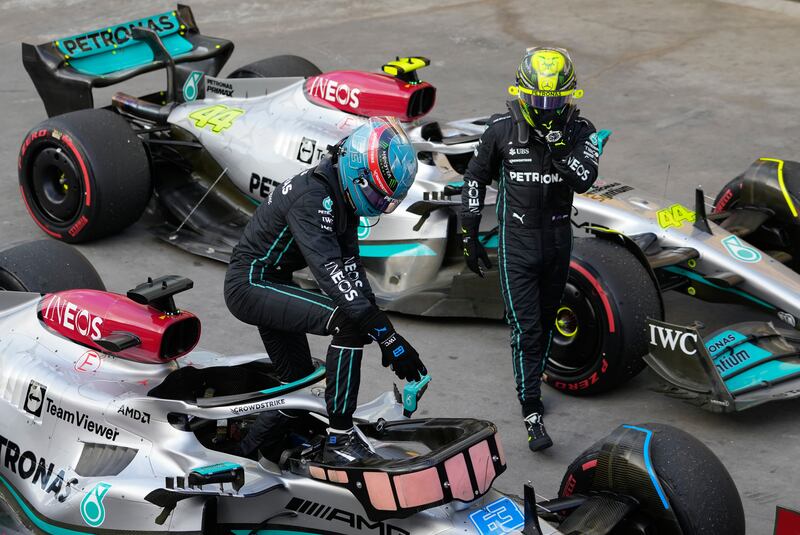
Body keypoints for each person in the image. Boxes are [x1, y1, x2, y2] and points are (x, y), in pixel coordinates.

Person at [224, 116, 427, 464]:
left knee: (298, 385)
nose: (379, 206)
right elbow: (335, 281)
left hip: (272, 282)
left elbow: (354, 276)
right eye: (377, 197)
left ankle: (240, 455)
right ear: (357, 172)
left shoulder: (339, 194)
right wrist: (389, 339)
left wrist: (388, 338)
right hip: (252, 283)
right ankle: (340, 437)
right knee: (348, 323)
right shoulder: (314, 198)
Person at [460, 47, 600, 451]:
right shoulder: (501, 128)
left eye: (554, 99)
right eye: (538, 99)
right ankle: (531, 408)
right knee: (528, 329)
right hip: (516, 244)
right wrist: (469, 232)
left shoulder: (581, 131)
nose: (545, 107)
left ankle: (532, 380)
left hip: (557, 242)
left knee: (544, 319)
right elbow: (474, 177)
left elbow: (585, 179)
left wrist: (558, 148)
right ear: (521, 93)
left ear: (569, 96)